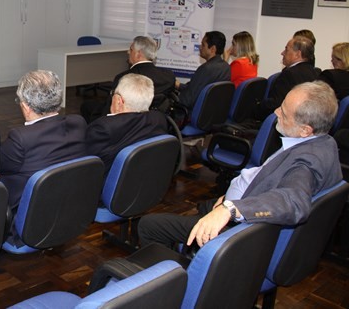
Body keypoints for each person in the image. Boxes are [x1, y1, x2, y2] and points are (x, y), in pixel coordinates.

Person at [138, 81, 342, 249]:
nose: (276, 112)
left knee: (149, 225)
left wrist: (231, 208)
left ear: (306, 130)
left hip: (241, 229)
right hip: (240, 199)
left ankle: (176, 279)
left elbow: (294, 202)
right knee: (203, 206)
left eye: (284, 112)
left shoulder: (306, 163)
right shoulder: (326, 142)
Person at [0, 70, 87, 211]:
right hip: (71, 206)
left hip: (28, 212)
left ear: (26, 107)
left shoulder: (21, 138)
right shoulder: (78, 123)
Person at [86, 74, 168, 175]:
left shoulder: (103, 128)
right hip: (144, 177)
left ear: (118, 101)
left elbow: (87, 165)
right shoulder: (158, 119)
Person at [80, 36, 175, 122]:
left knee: (87, 106)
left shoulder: (124, 78)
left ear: (138, 54)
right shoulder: (168, 76)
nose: (128, 52)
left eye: (131, 49)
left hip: (125, 121)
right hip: (153, 120)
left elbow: (111, 108)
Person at [254, 36, 319, 120]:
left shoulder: (289, 74)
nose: (282, 53)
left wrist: (257, 106)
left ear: (297, 54)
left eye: (286, 50)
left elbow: (276, 105)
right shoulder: (315, 72)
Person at [176, 31, 231, 110]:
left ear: (212, 49)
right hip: (212, 112)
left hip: (194, 113)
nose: (200, 47)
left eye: (203, 45)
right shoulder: (226, 67)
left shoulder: (206, 69)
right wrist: (179, 85)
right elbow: (198, 87)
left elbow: (187, 100)